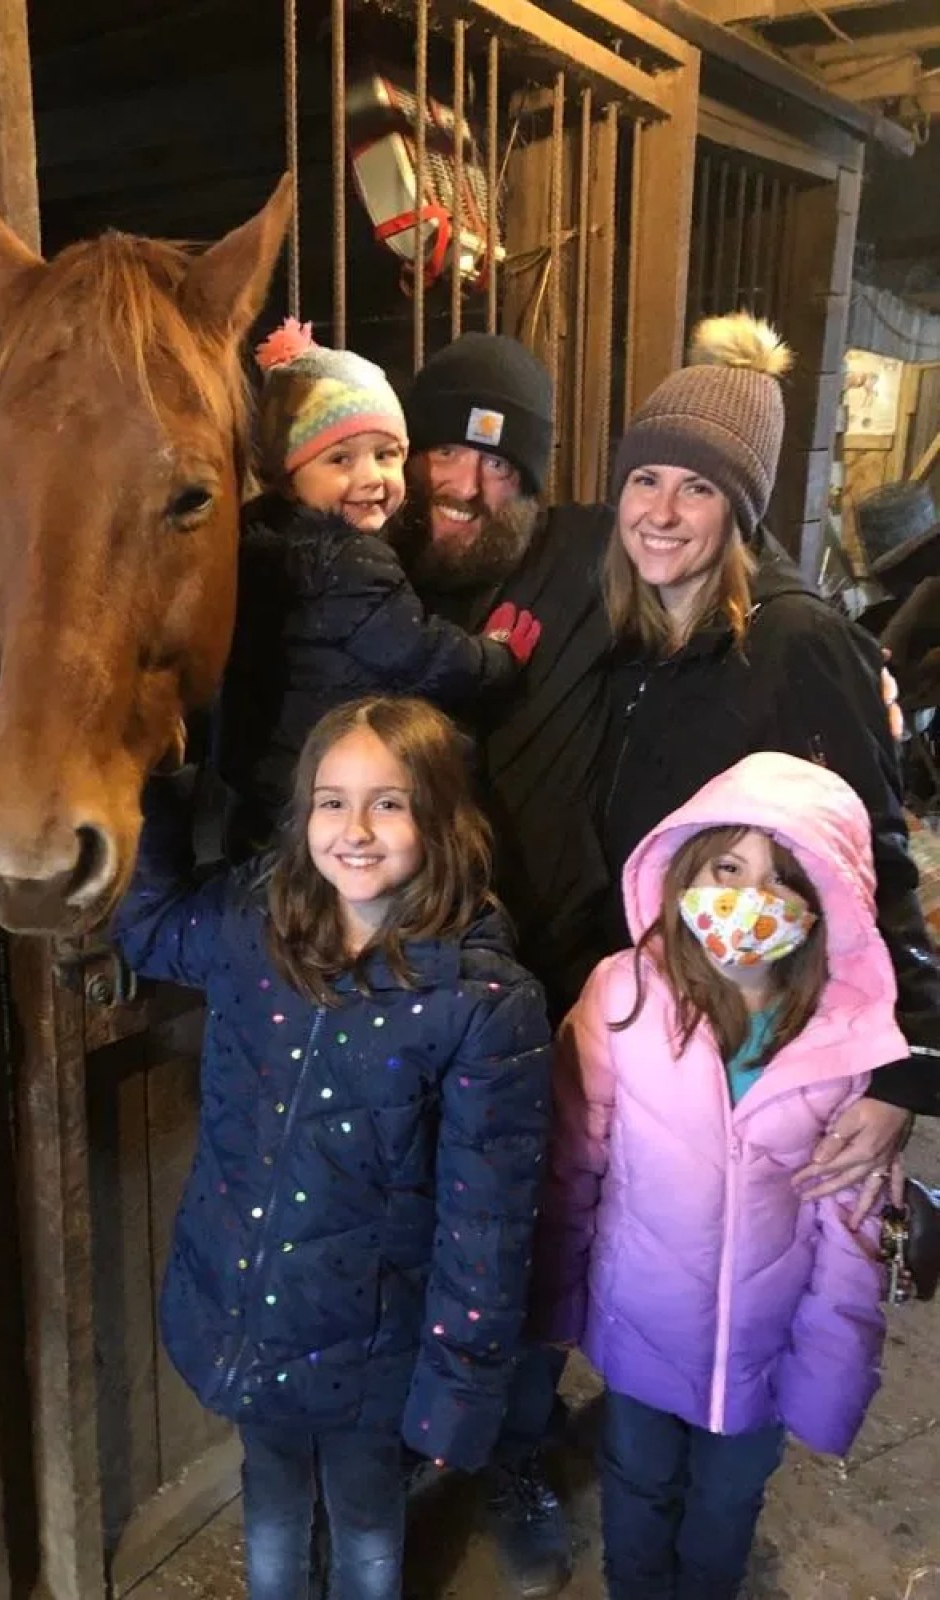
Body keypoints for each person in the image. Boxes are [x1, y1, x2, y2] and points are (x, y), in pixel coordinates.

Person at [113, 695, 552, 1600]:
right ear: (302, 812)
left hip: (373, 1359)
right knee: (269, 1499)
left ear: (442, 818)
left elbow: (488, 1228)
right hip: (252, 1318)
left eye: (389, 803)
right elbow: (151, 929)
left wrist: (457, 1389)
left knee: (364, 1525)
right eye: (331, 799)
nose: (355, 828)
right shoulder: (251, 928)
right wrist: (155, 789)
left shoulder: (481, 1004)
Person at [598, 311, 940, 1238]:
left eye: (698, 488)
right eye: (645, 479)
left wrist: (906, 1076)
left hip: (765, 1042)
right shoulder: (638, 638)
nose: (660, 513)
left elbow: (877, 850)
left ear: (740, 512)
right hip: (665, 1030)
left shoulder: (800, 644)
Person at [542, 751, 905, 1599]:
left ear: (824, 909)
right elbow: (574, 1162)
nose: (750, 897)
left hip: (765, 1355)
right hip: (639, 1331)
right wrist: (552, 1293)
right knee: (635, 1482)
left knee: (730, 1501)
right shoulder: (620, 1001)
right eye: (729, 866)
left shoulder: (844, 1044)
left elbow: (848, 1231)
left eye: (784, 879)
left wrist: (831, 1371)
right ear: (686, 875)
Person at [397, 332, 613, 1595]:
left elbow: (721, 553)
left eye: (497, 464)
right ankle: (399, 1457)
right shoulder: (373, 568)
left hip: (553, 984)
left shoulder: (590, 553)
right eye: (445, 451)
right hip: (402, 985)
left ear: (532, 478)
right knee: (402, 1229)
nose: (465, 486)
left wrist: (824, 640)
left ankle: (521, 1449)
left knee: (529, 1240)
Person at [217, 319, 539, 854]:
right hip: (336, 796)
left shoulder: (260, 543)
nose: (370, 477)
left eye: (386, 455)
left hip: (271, 791)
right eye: (340, 459)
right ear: (287, 475)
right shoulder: (349, 557)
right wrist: (496, 657)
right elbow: (417, 653)